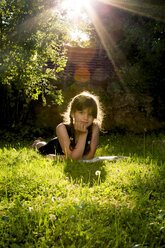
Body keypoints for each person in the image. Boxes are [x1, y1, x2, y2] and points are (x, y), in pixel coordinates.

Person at [30, 91, 104, 160]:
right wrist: (83, 135)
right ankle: (36, 143)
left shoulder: (94, 127)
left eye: (90, 114)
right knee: (42, 147)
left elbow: (89, 156)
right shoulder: (61, 128)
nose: (86, 118)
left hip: (66, 154)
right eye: (81, 112)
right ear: (72, 113)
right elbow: (73, 158)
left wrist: (58, 157)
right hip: (55, 146)